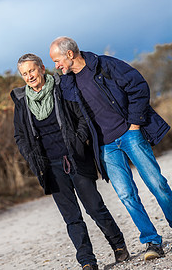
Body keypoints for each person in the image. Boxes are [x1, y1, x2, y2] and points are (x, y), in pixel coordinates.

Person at [50, 36, 172, 261]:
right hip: (106, 147)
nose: (56, 66)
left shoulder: (104, 64)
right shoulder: (68, 81)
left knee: (157, 184)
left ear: (69, 54)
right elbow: (68, 102)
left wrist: (135, 124)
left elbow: (138, 86)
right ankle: (152, 241)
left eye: (57, 60)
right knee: (127, 195)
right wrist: (65, 77)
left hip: (129, 133)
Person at [10, 53, 129, 270]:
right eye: (24, 74)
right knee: (71, 218)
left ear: (42, 68)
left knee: (95, 207)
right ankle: (87, 261)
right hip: (50, 167)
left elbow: (82, 116)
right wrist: (31, 157)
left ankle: (119, 245)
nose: (29, 76)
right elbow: (20, 136)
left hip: (75, 159)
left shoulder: (61, 88)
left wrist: (78, 140)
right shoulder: (22, 102)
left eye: (32, 71)